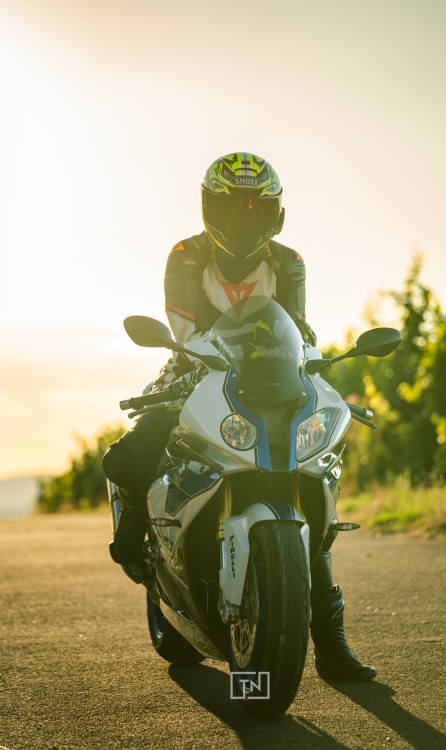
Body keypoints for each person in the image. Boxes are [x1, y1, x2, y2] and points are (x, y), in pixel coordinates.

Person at [102, 151, 376, 682]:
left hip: (270, 378)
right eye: (232, 207)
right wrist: (201, 357)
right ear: (210, 208)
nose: (244, 220)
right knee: (129, 455)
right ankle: (135, 530)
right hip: (193, 369)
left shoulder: (289, 262)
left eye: (256, 208)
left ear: (276, 213)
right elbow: (183, 331)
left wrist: (315, 362)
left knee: (311, 479)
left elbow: (299, 329)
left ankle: (331, 642)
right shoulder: (186, 255)